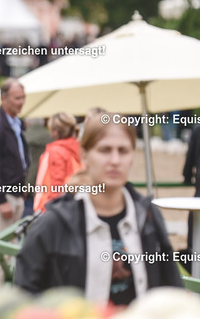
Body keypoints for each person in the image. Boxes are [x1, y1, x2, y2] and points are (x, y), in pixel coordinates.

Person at [15, 113, 182, 306]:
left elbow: (172, 291)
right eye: (104, 150)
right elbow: (24, 297)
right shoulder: (54, 223)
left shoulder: (148, 217)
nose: (115, 160)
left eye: (123, 151)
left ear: (132, 156)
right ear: (84, 155)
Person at [0, 78, 29, 238]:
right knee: (0, 248)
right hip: (1, 198)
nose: (21, 102)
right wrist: (2, 200)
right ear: (4, 98)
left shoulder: (17, 123)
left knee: (12, 247)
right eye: (17, 98)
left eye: (23, 97)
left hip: (15, 195)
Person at [33, 112, 81, 212]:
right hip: (72, 205)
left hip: (52, 208)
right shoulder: (77, 148)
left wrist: (50, 210)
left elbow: (56, 185)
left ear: (55, 131)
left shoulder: (56, 151)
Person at [182, 117, 200, 253]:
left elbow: (190, 155)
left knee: (197, 213)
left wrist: (187, 176)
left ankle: (193, 249)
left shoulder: (199, 128)